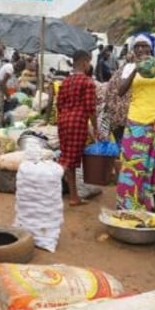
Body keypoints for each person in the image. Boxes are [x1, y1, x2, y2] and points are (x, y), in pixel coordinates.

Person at [115, 34, 155, 212]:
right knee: (131, 168)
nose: (141, 50)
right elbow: (120, 91)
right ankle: (127, 208)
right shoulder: (128, 68)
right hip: (135, 123)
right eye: (137, 47)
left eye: (144, 46)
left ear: (150, 49)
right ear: (133, 50)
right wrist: (135, 69)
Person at [56, 50, 98, 206]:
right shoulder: (88, 82)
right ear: (86, 63)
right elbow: (90, 108)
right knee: (69, 161)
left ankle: (74, 196)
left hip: (64, 122)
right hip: (78, 123)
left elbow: (59, 104)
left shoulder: (65, 81)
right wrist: (96, 128)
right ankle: (50, 186)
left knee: (69, 160)